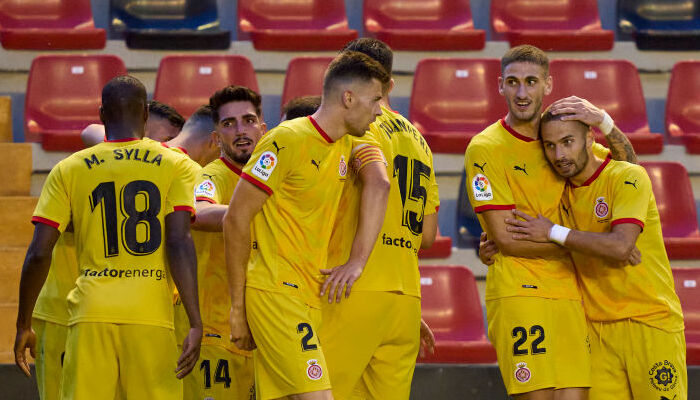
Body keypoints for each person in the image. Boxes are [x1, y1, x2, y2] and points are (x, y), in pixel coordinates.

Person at [464, 44, 637, 400]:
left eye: (531, 81)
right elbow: (507, 240)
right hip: (519, 289)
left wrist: (603, 121)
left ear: (548, 84)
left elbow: (629, 170)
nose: (522, 93)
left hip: (569, 292)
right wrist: (596, 248)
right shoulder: (486, 148)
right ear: (500, 85)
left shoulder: (560, 138)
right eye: (513, 82)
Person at [13, 76, 202, 400]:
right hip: (151, 315)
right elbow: (178, 241)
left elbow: (39, 253)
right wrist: (195, 321)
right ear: (145, 114)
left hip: (90, 312)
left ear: (102, 114)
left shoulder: (68, 168)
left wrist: (23, 323)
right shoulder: (176, 164)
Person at [223, 51, 389, 400]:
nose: (379, 110)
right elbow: (236, 218)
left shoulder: (346, 142)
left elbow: (381, 181)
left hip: (308, 294)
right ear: (348, 98)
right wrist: (237, 308)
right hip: (276, 292)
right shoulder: (287, 139)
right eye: (375, 99)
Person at [502, 110, 686, 400]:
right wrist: (492, 242)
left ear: (590, 138)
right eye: (550, 145)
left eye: (567, 142)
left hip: (650, 321)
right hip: (596, 330)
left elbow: (620, 247)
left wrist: (556, 232)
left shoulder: (626, 176)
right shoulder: (557, 192)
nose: (560, 155)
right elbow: (523, 229)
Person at [320, 38, 437, 400]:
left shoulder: (359, 125)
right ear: (390, 84)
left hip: (352, 288)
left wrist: (357, 261)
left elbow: (378, 181)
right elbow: (428, 235)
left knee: (314, 393)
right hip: (405, 300)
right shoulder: (420, 141)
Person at [176, 85, 267, 400]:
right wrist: (260, 217)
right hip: (214, 333)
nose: (240, 131)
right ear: (216, 138)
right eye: (229, 124)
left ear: (262, 129)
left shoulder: (273, 176)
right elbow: (198, 212)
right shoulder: (211, 176)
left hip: (260, 330)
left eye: (248, 120)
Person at [81, 100, 186, 147]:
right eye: (144, 135)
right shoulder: (124, 147)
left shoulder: (179, 162)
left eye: (169, 140)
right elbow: (89, 132)